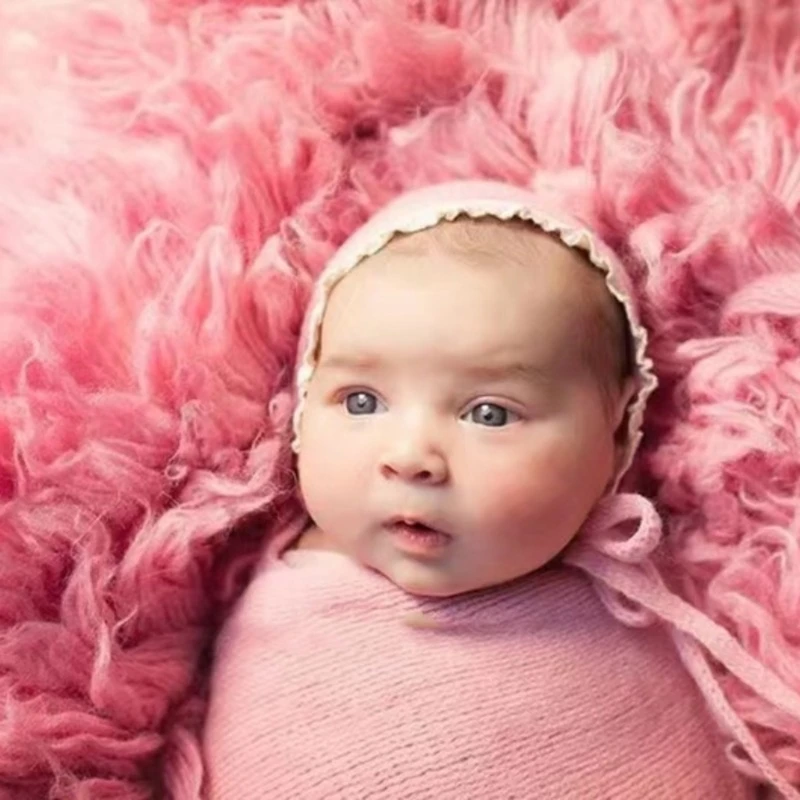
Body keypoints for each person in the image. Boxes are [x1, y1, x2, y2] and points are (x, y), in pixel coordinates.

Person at [202, 181, 799, 799]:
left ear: (616, 435)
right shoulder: (284, 622)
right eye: (361, 401)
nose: (411, 457)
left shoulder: (631, 611)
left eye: (488, 414)